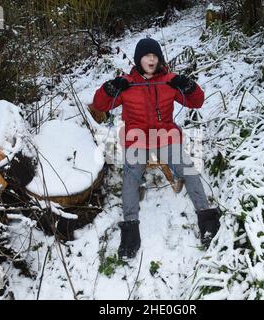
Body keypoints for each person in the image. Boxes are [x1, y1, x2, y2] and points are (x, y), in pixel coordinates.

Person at [92, 37, 220, 259]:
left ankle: (206, 218)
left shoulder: (169, 81)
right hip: (137, 138)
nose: (151, 59)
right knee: (131, 177)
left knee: (188, 168)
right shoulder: (126, 83)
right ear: (138, 59)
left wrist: (188, 86)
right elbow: (100, 105)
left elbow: (196, 102)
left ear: (159, 59)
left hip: (166, 136)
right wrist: (110, 88)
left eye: (155, 56)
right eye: (146, 56)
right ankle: (130, 228)